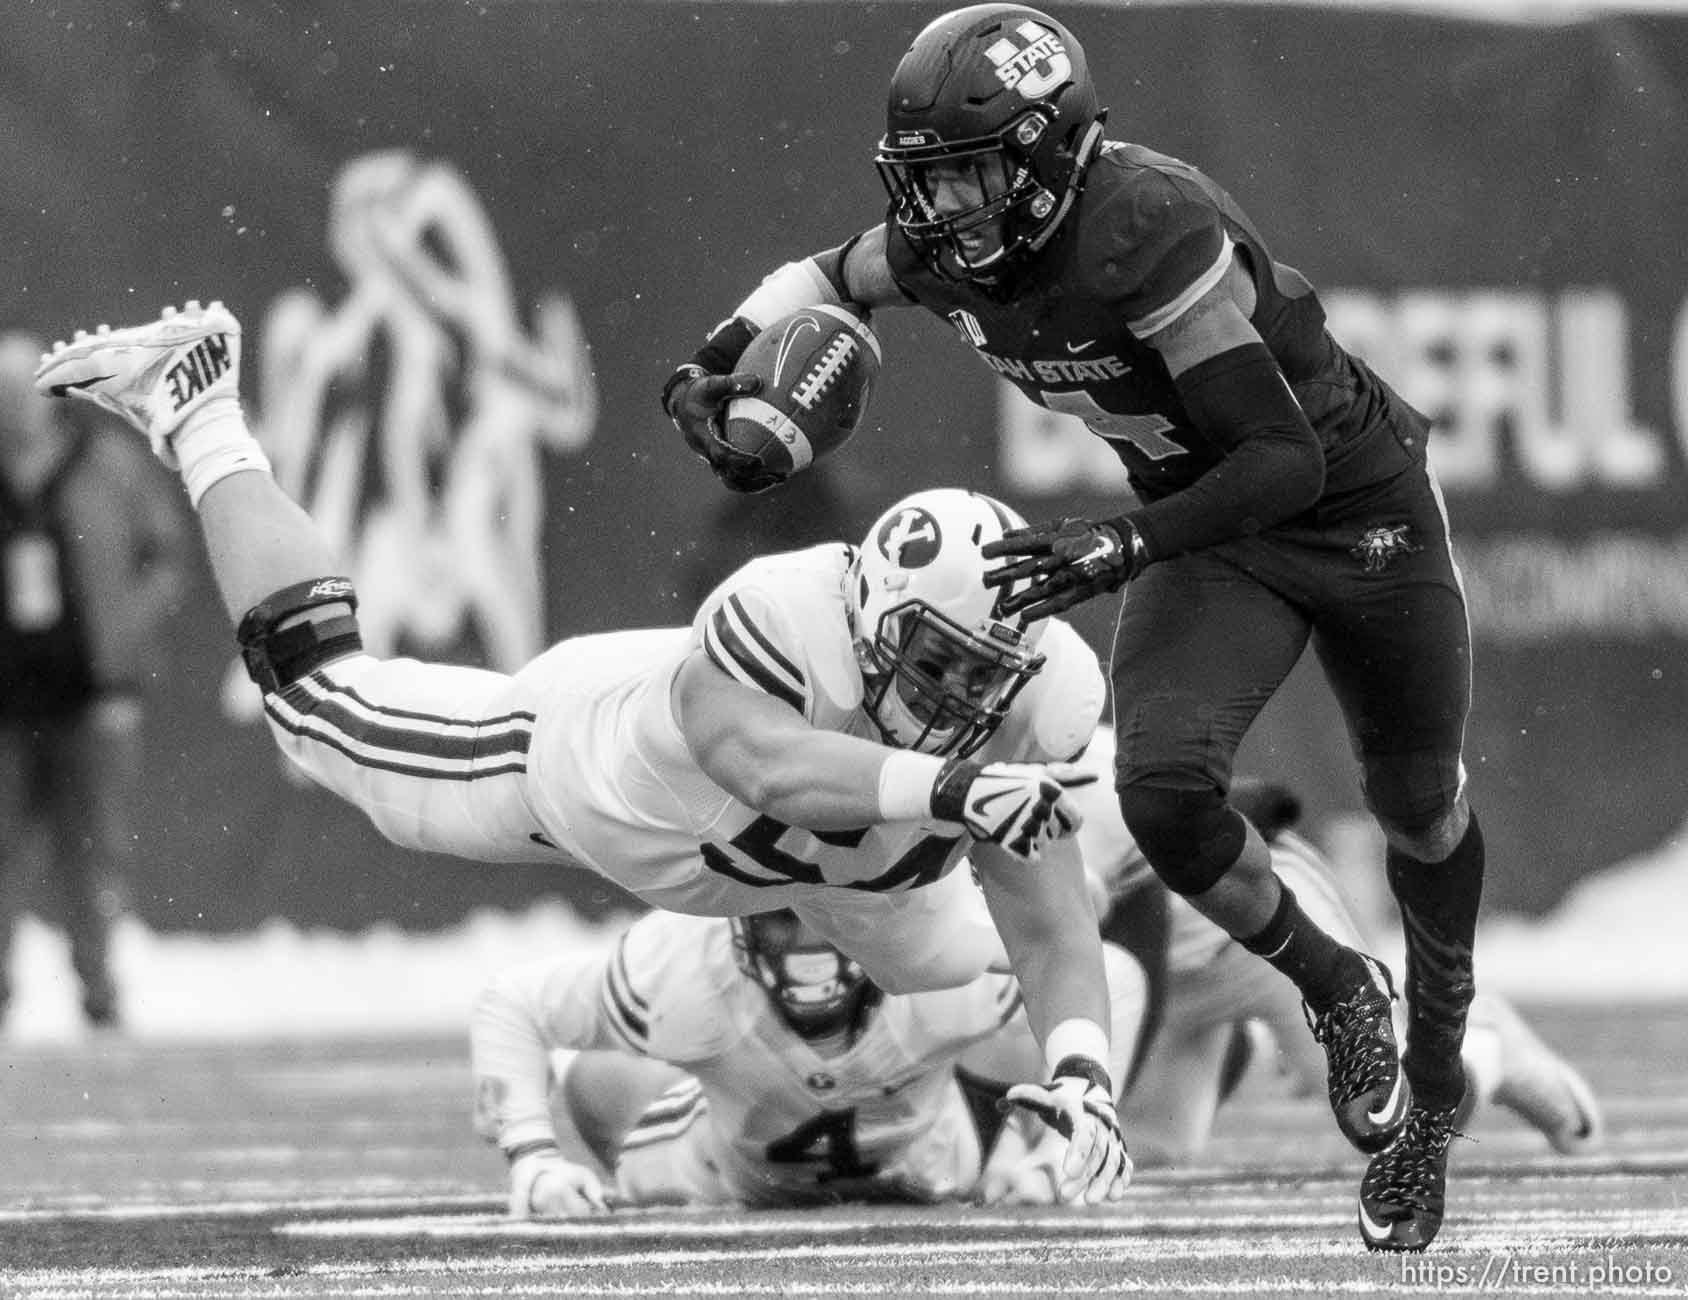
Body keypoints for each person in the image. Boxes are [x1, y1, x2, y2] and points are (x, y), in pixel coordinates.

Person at [661, 3, 1485, 1250]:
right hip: (1204, 528)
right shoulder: (953, 244)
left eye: (974, 174)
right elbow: (833, 277)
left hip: (1349, 510)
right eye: (927, 183)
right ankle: (1335, 988)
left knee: (1418, 803)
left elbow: (1281, 458)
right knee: (1160, 796)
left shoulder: (1145, 229)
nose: (947, 210)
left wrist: (1118, 542)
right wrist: (720, 356)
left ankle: (1429, 1089)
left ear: (1050, 158)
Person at [34, 301, 1128, 1204]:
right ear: (870, 616)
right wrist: (956, 787)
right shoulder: (780, 611)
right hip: (596, 780)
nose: (957, 696)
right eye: (936, 661)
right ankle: (201, 405)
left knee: (1012, 928)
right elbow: (772, 769)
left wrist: (1081, 1072)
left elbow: (1044, 923)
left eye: (981, 674)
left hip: (854, 884)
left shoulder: (1037, 697)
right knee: (317, 704)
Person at [1070, 726, 1602, 1170]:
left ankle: (1486, 1041)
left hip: (1265, 929)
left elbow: (1254, 807)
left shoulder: (1085, 777)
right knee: (1139, 1152)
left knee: (1392, 1118)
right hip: (1168, 971)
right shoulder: (1005, 774)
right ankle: (1245, 1041)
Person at [471, 906, 1147, 1215]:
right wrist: (532, 1154)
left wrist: (1067, 1151)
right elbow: (513, 1003)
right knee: (596, 1081)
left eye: (823, 917)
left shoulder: (945, 952)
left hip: (945, 1150)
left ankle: (1016, 1145)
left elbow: (1107, 973)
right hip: (734, 1173)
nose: (806, 946)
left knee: (1030, 1039)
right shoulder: (682, 965)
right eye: (781, 917)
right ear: (736, 920)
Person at [0, 332, 189, 1030]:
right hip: (9, 698)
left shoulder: (105, 465)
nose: (13, 408)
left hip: (91, 691)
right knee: (5, 848)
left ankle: (98, 988)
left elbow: (163, 556)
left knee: (93, 851)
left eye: (24, 391)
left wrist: (124, 637)